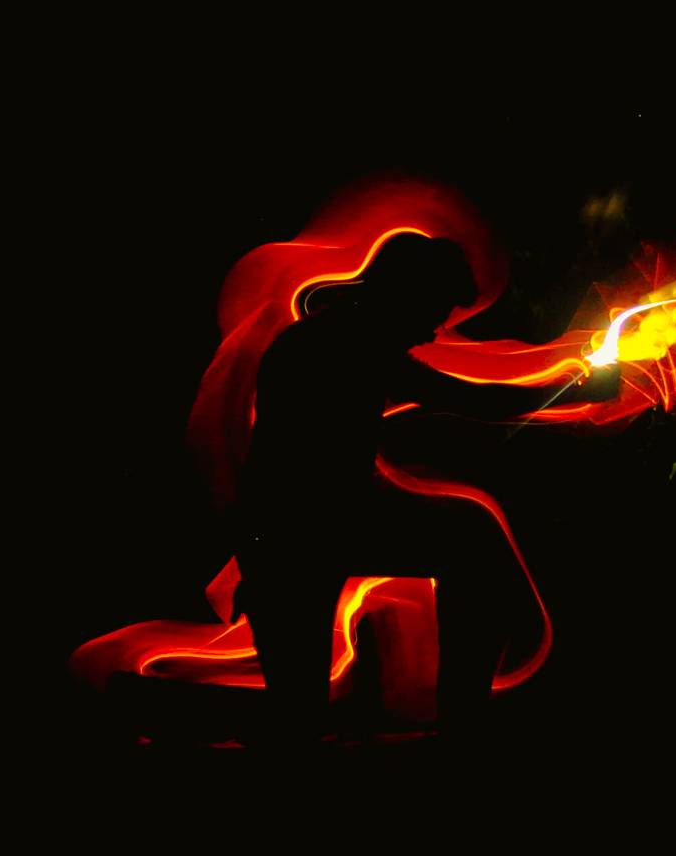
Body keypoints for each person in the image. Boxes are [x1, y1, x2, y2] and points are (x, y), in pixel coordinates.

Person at [232, 233, 618, 746]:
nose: (434, 328)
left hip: (290, 528)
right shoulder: (351, 344)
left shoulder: (333, 336)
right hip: (299, 532)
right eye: (433, 309)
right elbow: (473, 400)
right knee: (298, 715)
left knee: (469, 537)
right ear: (405, 293)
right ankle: (462, 730)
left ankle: (460, 725)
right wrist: (577, 387)